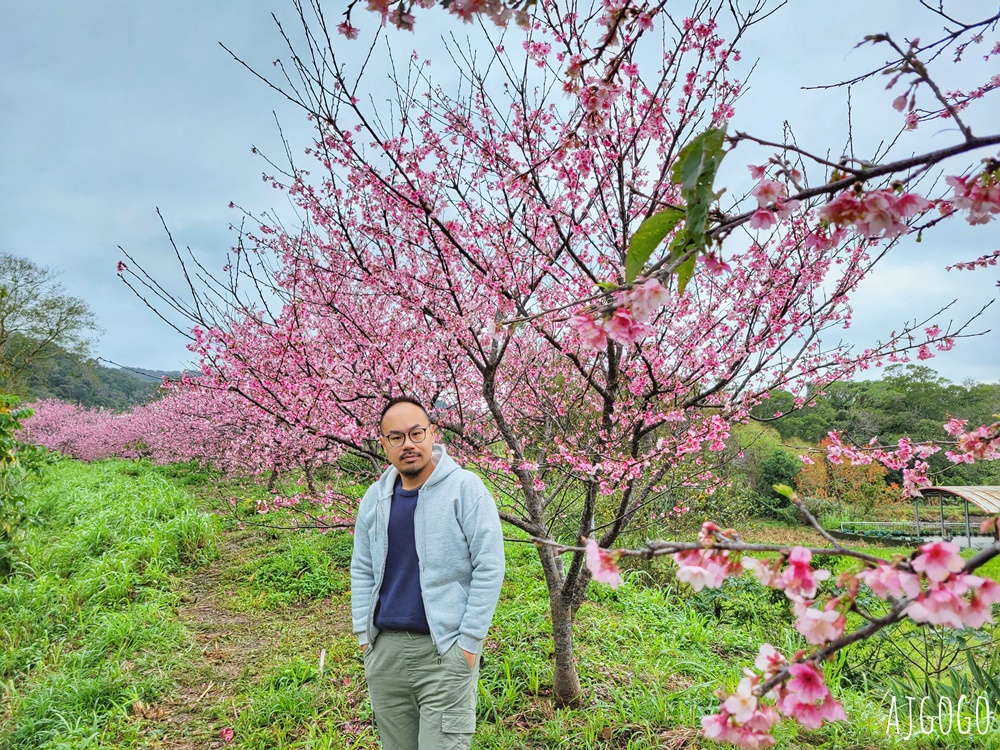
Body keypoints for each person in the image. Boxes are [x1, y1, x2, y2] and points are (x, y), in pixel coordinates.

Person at [351, 397, 506, 749]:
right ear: (384, 444)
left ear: (432, 434)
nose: (408, 444)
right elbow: (362, 569)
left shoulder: (465, 489)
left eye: (416, 433)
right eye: (396, 437)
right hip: (385, 654)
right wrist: (364, 636)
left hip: (444, 652)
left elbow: (490, 565)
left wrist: (468, 644)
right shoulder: (374, 499)